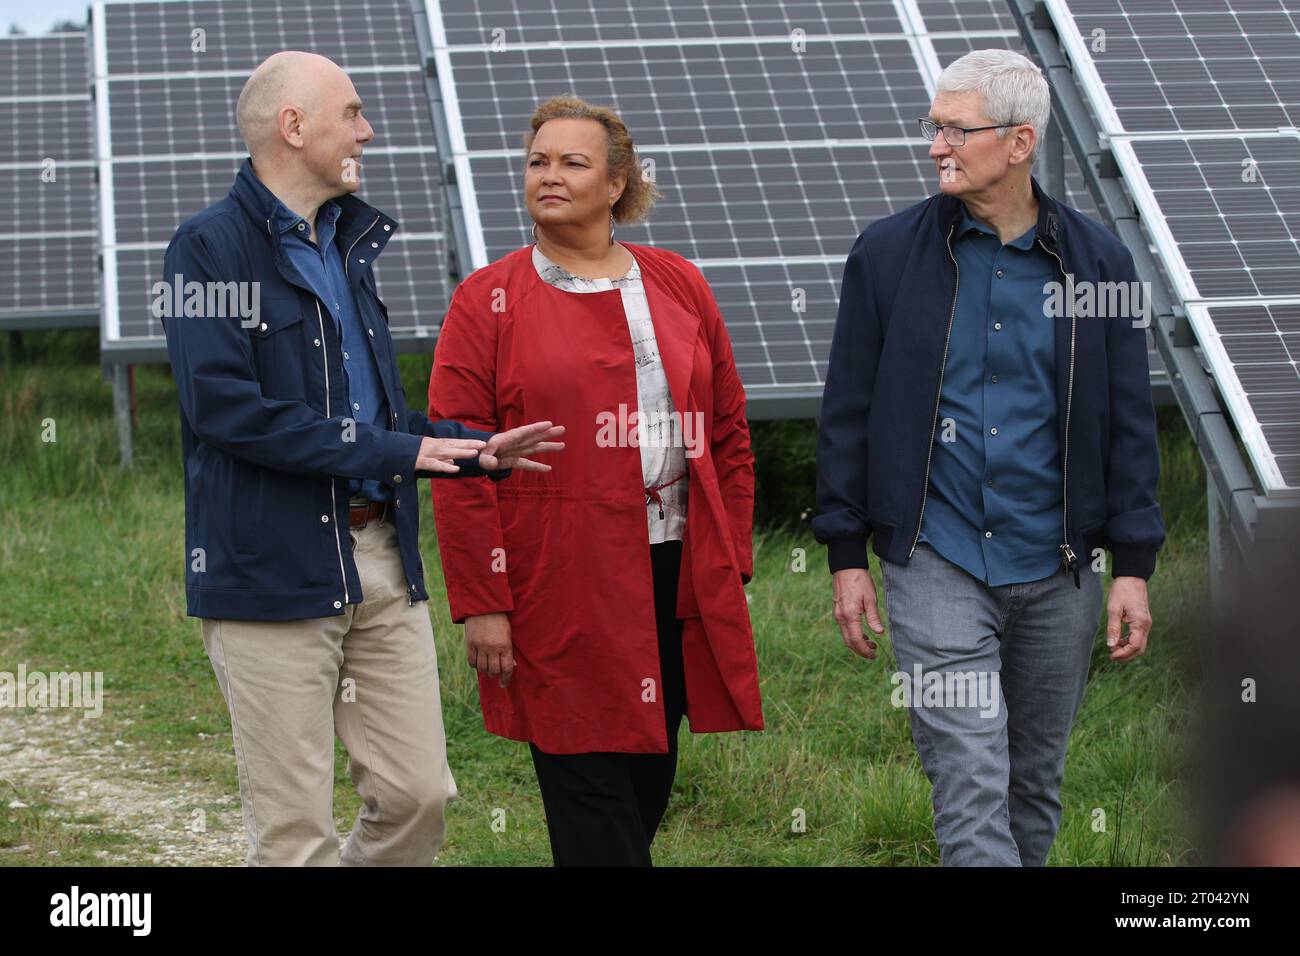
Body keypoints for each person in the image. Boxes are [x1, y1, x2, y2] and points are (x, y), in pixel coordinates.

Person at [160, 51, 563, 866]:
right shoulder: (205, 250)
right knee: (293, 832)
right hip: (270, 569)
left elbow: (369, 416)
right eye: (351, 112)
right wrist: (403, 448)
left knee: (419, 796)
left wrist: (470, 449)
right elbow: (228, 411)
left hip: (381, 557)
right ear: (293, 125)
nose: (367, 130)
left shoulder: (350, 244)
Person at [814, 50, 1165, 866]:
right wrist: (844, 552)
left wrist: (1135, 564)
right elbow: (848, 410)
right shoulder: (887, 255)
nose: (936, 145)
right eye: (933, 127)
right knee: (970, 785)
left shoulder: (1097, 264)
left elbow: (1128, 424)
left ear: (1018, 143)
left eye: (955, 130)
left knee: (1032, 786)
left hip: (1060, 563)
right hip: (937, 554)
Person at [428, 95, 763, 866]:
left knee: (648, 772)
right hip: (556, 576)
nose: (549, 176)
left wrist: (729, 560)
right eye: (537, 161)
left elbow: (729, 434)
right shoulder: (488, 300)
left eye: (572, 163)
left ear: (616, 184)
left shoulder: (679, 283)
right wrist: (484, 601)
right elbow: (457, 461)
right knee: (588, 785)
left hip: (673, 571)